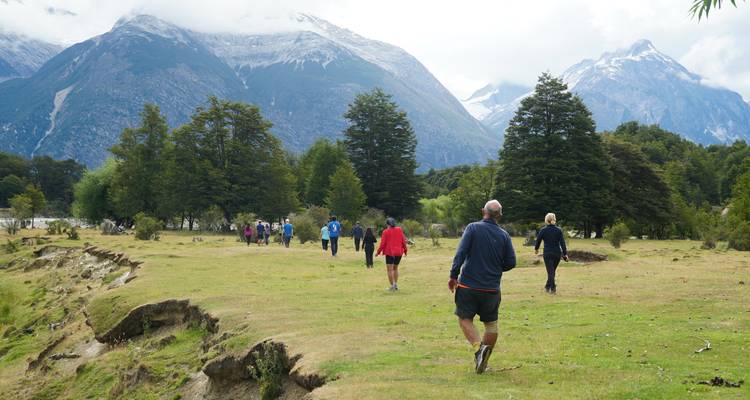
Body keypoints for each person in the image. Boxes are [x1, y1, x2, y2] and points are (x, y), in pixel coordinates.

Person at [449, 200, 516, 374]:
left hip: (468, 286)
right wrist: (494, 267)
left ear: (483, 211)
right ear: (499, 215)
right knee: (491, 325)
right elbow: (511, 262)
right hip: (492, 289)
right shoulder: (504, 235)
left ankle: (479, 350)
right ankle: (483, 361)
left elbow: (461, 253)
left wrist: (453, 275)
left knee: (464, 318)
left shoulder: (472, 228)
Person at [534, 212, 568, 294]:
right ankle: (547, 286)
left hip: (548, 253)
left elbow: (538, 240)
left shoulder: (543, 230)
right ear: (554, 220)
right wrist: (565, 253)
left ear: (546, 220)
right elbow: (562, 243)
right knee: (552, 272)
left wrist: (536, 249)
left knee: (550, 272)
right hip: (557, 253)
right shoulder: (558, 230)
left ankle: (553, 288)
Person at [376, 217, 408, 291]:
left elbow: (382, 244)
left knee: (389, 270)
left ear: (388, 224)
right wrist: (405, 250)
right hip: (399, 253)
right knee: (395, 269)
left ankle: (392, 286)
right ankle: (395, 285)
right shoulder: (399, 229)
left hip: (390, 253)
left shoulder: (385, 232)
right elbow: (403, 241)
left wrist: (378, 252)